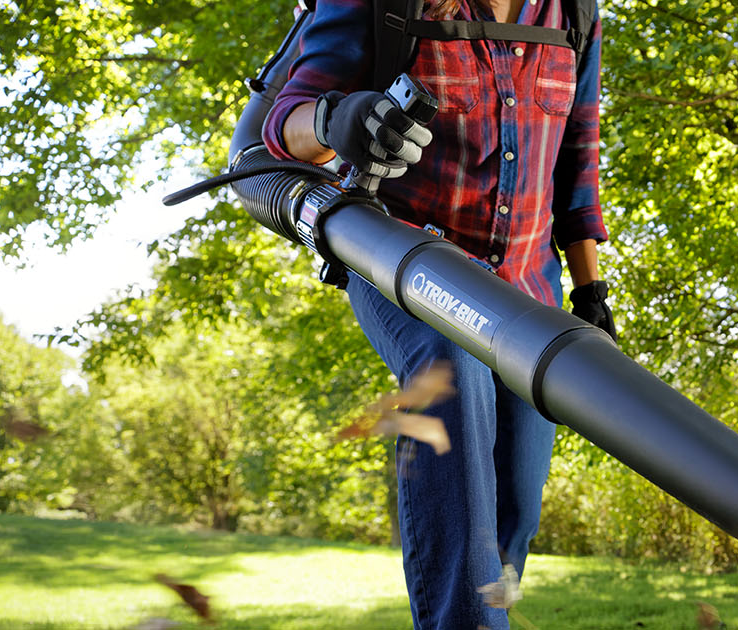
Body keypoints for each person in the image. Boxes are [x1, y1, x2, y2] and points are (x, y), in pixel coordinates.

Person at [262, 0, 613, 627]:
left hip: (529, 286)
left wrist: (592, 294)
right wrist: (338, 118)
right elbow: (281, 125)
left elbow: (577, 166)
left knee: (513, 513)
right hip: (404, 257)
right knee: (453, 366)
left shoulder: (576, 14)